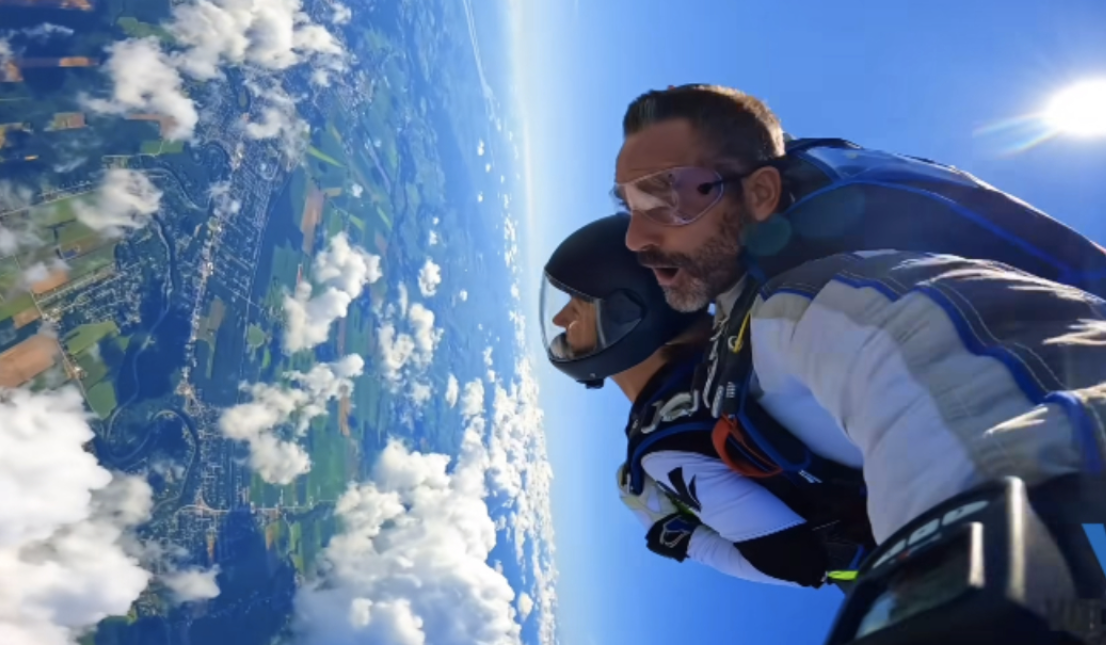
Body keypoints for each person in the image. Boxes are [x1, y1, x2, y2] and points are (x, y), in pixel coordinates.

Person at [610, 84, 1106, 599]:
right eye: (628, 203)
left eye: (667, 196)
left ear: (760, 193)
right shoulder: (768, 280)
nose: (634, 237)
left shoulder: (803, 301)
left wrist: (993, 587)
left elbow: (955, 375)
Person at [541, 213, 874, 590]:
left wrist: (675, 533)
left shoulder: (669, 445)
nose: (558, 318)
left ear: (626, 318)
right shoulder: (748, 326)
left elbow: (802, 564)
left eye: (577, 305)